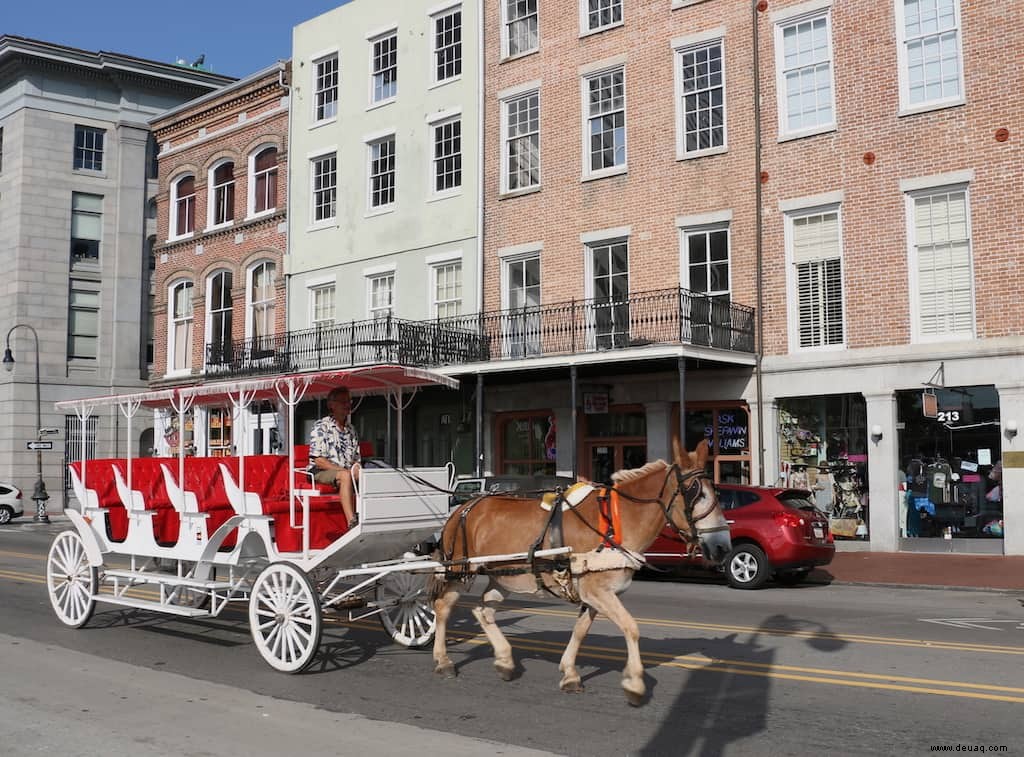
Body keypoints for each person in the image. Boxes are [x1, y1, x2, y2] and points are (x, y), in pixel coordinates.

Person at [309, 387, 361, 528]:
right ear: (331, 405)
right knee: (345, 476)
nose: (347, 404)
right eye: (343, 401)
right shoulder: (321, 426)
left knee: (367, 475)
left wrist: (357, 470)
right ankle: (352, 522)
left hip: (345, 471)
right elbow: (319, 461)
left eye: (349, 401)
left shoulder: (351, 430)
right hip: (320, 471)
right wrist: (345, 472)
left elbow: (356, 459)